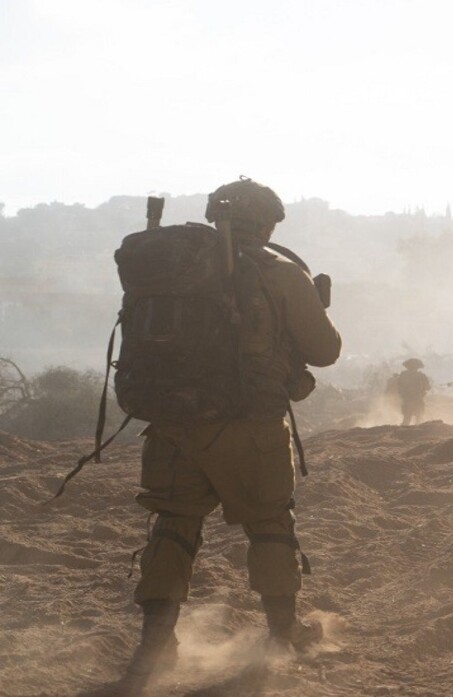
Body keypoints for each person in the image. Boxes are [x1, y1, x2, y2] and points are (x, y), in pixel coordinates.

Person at [119, 178, 341, 693]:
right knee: (269, 524)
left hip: (171, 423)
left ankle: (154, 646)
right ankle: (282, 635)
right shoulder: (278, 271)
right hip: (248, 425)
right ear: (267, 223)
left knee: (173, 527)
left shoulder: (164, 270)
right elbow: (325, 351)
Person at [391, 358, 432, 426]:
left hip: (408, 399)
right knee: (418, 418)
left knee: (407, 418)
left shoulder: (403, 375)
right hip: (417, 398)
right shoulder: (421, 376)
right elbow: (428, 387)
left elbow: (399, 386)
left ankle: (404, 430)